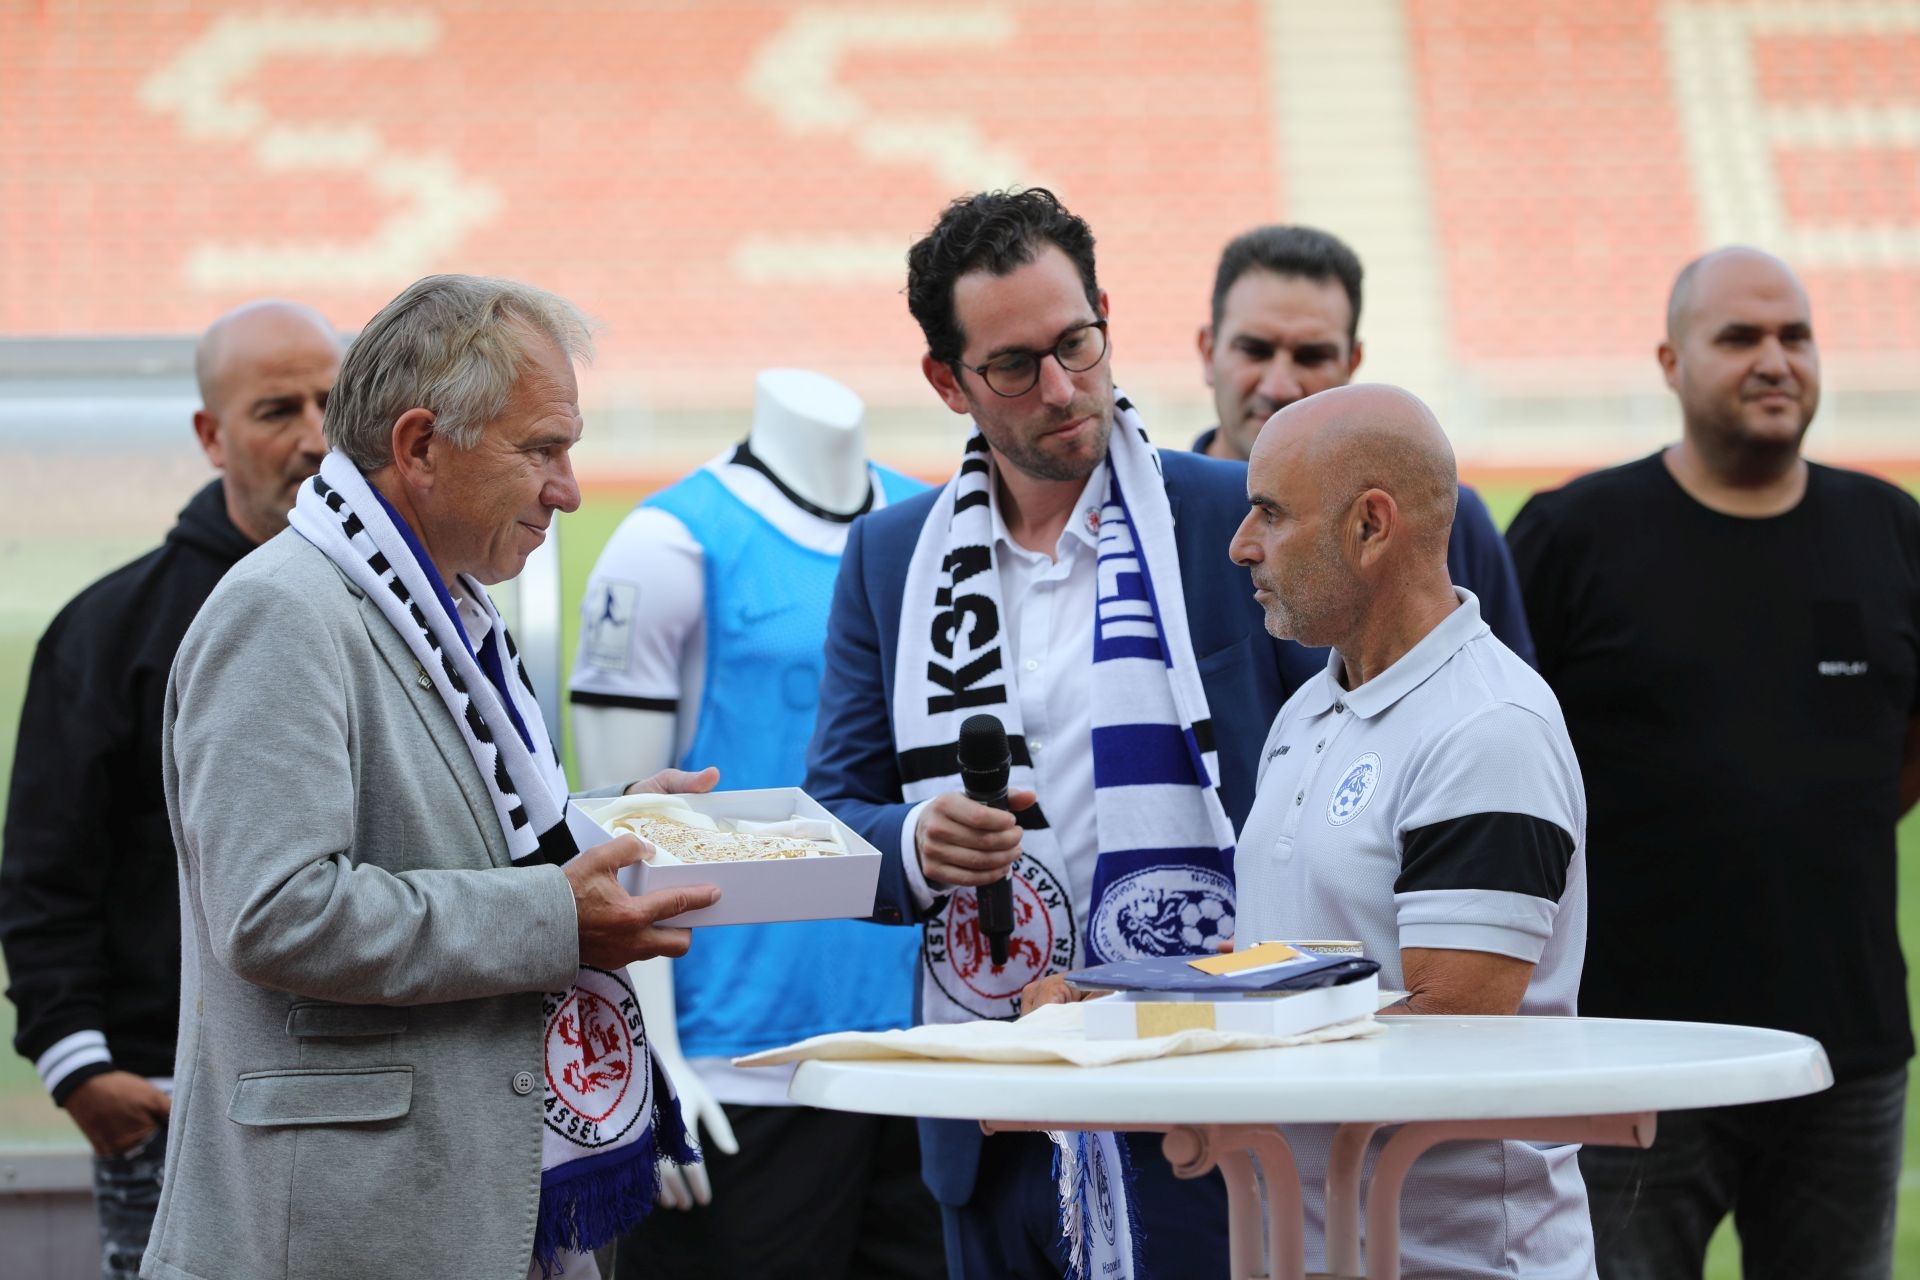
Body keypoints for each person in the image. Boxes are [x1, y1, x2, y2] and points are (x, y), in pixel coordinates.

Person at [144, 275, 725, 1280]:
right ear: (419, 446)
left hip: (467, 1207)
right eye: (541, 449)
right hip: (343, 1233)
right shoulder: (283, 611)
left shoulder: (436, 604)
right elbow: (276, 911)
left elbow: (452, 830)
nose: (568, 489)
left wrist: (601, 832)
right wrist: (555, 915)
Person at [804, 188, 1322, 1279]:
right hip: (993, 1110)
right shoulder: (889, 558)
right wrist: (915, 842)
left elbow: (1338, 758)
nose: (1060, 387)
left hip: (1213, 1094)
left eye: (1076, 343)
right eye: (1012, 365)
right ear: (947, 381)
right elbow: (835, 812)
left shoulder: (1236, 513)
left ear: (1105, 319)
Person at [1507, 247, 1919, 1280]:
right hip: (1629, 1047)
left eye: (1795, 335)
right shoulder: (1573, 532)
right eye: (1739, 337)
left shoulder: (1890, 528)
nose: (1775, 359)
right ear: (1670, 360)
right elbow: (1498, 747)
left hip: (1843, 1046)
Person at [570, 368, 943, 1279]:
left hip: (926, 1049)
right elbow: (613, 836)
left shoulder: (935, 526)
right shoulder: (667, 544)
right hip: (738, 1062)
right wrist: (650, 1059)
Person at [0, 300, 339, 1280]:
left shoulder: (412, 614)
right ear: (211, 434)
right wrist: (79, 1065)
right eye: (278, 409)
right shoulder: (111, 629)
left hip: (371, 1091)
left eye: (332, 402)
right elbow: (45, 872)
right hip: (173, 1100)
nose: (316, 437)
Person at [1193, 224, 1535, 663]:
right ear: (1208, 352)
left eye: (1313, 355)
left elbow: (1501, 681)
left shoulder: (1448, 518)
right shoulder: (1160, 523)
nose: (1280, 386)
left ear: (1352, 362)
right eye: (1255, 350)